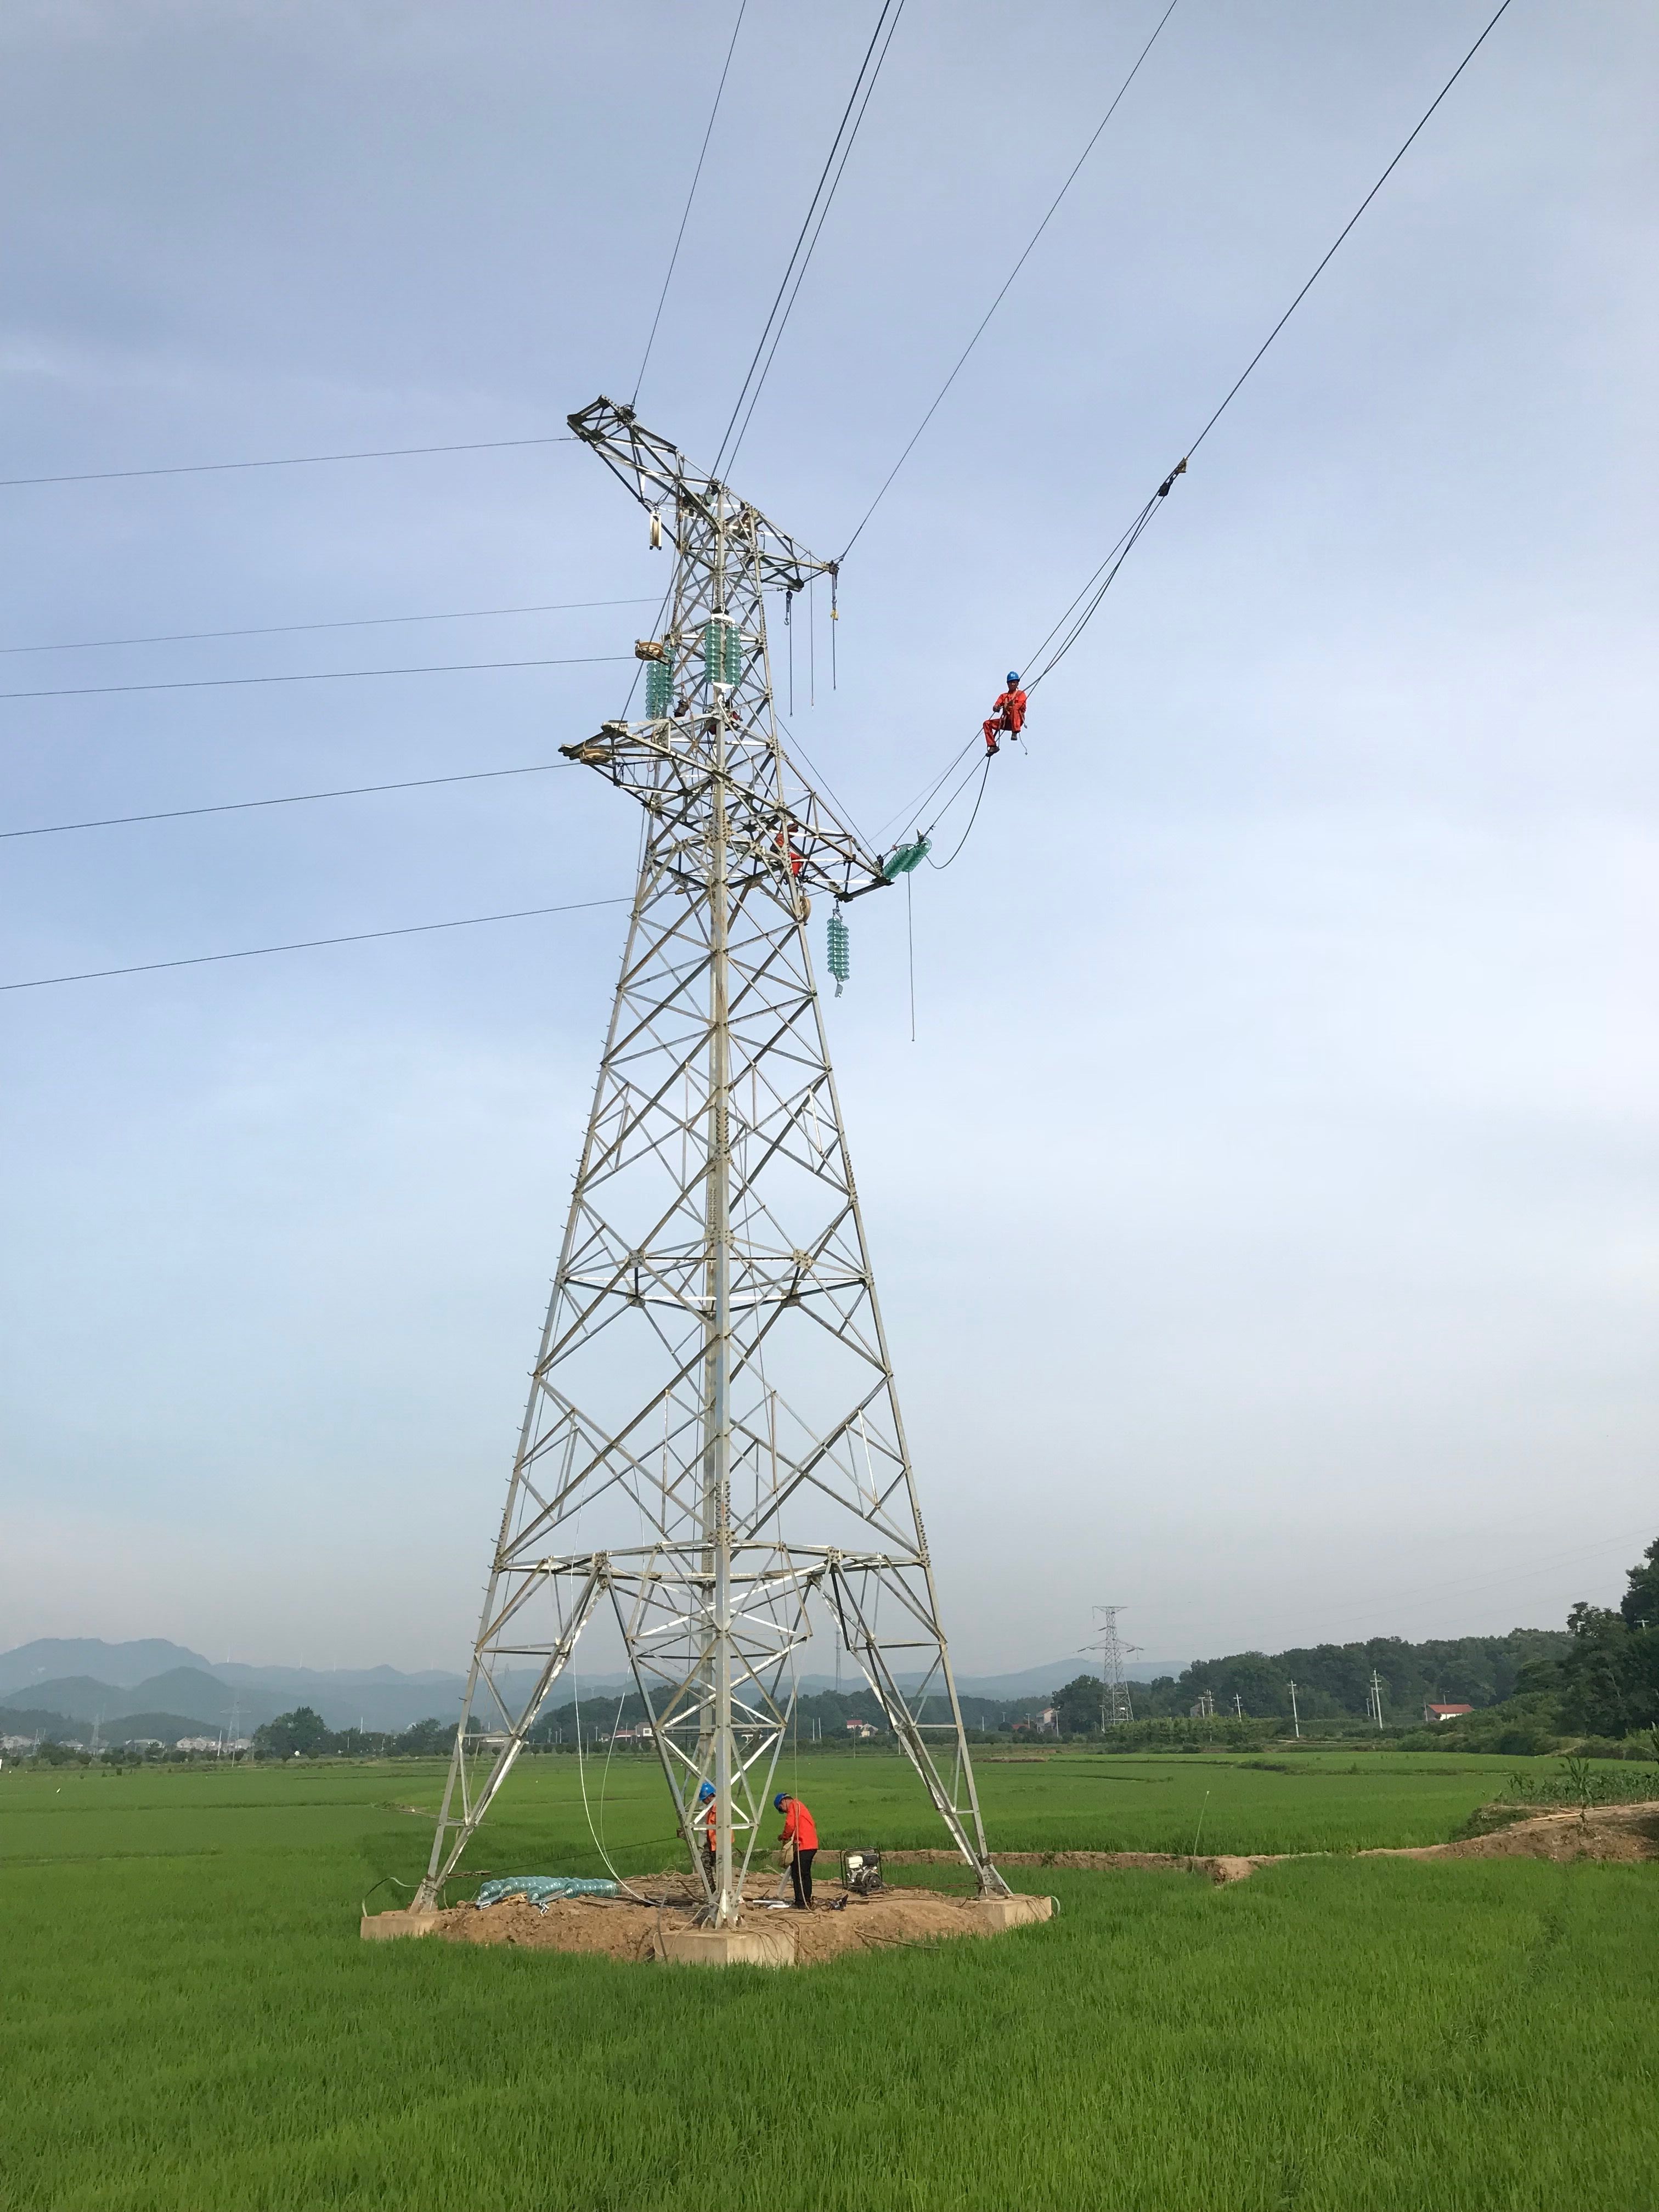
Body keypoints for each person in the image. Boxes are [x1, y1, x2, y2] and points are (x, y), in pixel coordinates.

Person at [774, 1790, 818, 1909]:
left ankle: (801, 1902)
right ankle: (806, 1899)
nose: (784, 1811)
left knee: (798, 1874)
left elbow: (790, 1825)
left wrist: (784, 1836)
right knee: (804, 1873)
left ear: (783, 1801)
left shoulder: (794, 1805)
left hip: (803, 1844)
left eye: (781, 1808)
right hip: (811, 1844)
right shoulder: (799, 1805)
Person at [982, 672, 1027, 757]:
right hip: (1006, 722)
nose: (1013, 684)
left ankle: (1015, 732)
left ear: (1017, 683)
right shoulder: (1004, 696)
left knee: (1015, 707)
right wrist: (996, 708)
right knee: (987, 724)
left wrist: (1011, 705)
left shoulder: (1021, 694)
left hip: (1017, 720)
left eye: (1014, 682)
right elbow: (997, 704)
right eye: (1011, 682)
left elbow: (1021, 705)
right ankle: (992, 746)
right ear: (1008, 684)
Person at [697, 1779, 718, 1883]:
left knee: (720, 1869)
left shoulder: (719, 1808)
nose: (704, 1802)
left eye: (704, 1799)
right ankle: (712, 1891)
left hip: (720, 1844)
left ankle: (720, 1891)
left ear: (709, 1797)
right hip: (711, 1844)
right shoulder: (711, 1809)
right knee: (705, 1863)